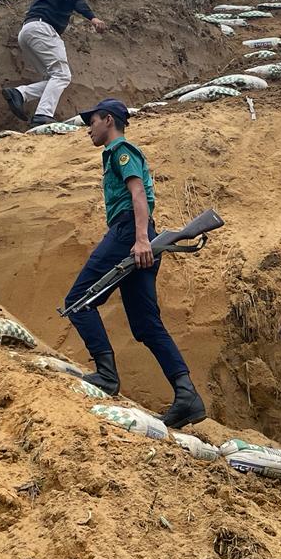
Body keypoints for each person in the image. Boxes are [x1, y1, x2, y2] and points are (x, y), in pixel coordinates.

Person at [61, 98, 204, 428]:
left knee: (78, 302)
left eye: (92, 121)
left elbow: (137, 194)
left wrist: (140, 239)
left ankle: (107, 375)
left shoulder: (121, 152)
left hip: (129, 232)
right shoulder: (116, 153)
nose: (89, 128)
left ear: (108, 120)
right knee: (145, 325)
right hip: (136, 233)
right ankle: (187, 396)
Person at [2, 0, 108, 129]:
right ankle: (43, 114)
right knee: (62, 75)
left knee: (53, 78)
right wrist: (92, 18)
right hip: (43, 29)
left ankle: (20, 94)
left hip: (27, 31)